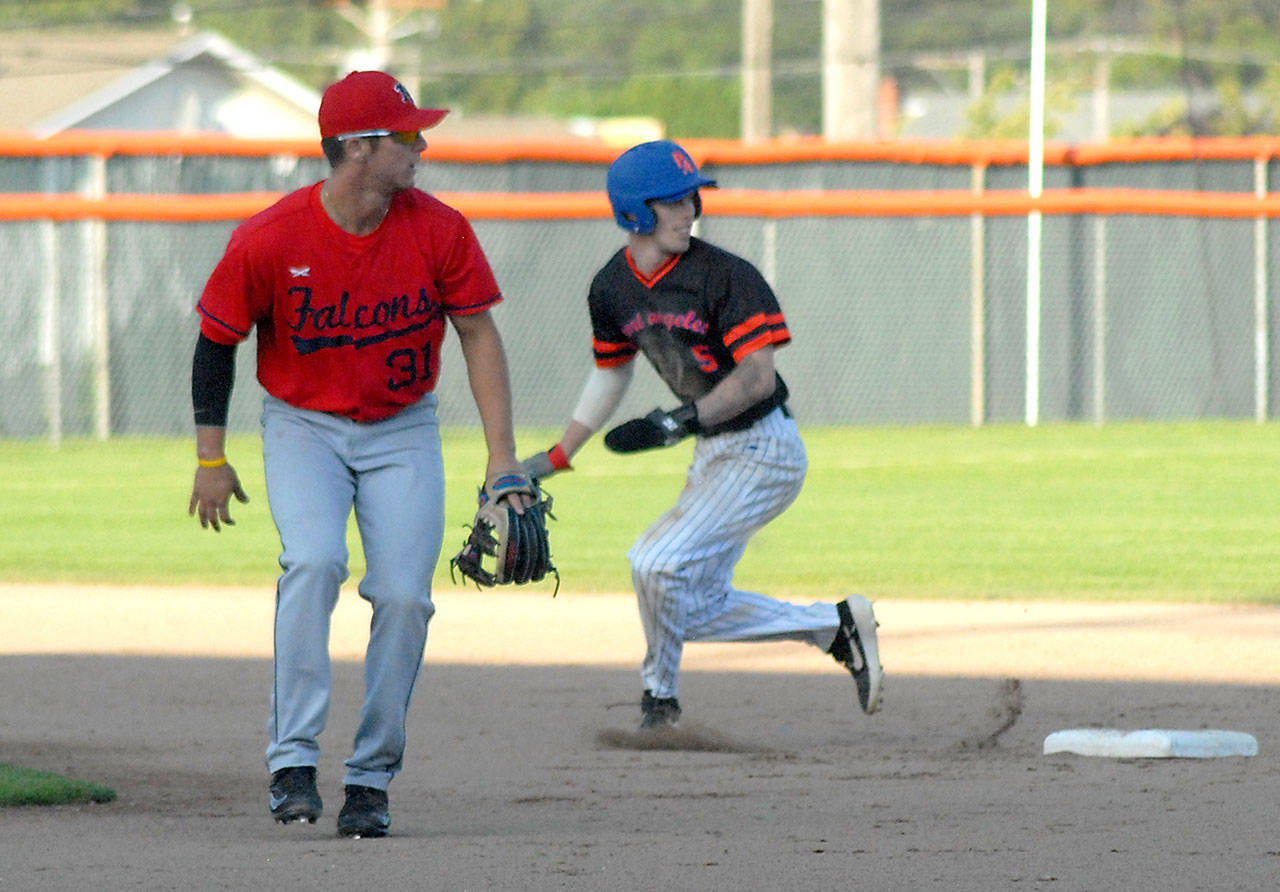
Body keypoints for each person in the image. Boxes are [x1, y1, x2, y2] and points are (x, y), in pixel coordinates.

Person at [188, 70, 531, 838]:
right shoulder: (272, 237)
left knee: (406, 597)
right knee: (312, 563)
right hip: (303, 426)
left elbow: (478, 334)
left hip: (402, 427)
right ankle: (293, 763)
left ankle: (371, 780)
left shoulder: (439, 228)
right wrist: (212, 458)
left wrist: (501, 457)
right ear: (357, 147)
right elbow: (216, 341)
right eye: (406, 134)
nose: (421, 144)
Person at [522, 140, 884, 731]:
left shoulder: (724, 276)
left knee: (653, 562)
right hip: (717, 453)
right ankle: (833, 626)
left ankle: (658, 700)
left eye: (692, 197)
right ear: (636, 211)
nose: (689, 209)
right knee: (687, 605)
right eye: (672, 201)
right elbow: (611, 371)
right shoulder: (611, 287)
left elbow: (758, 378)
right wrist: (560, 454)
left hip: (764, 449)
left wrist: (678, 422)